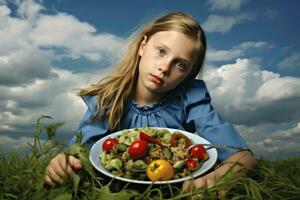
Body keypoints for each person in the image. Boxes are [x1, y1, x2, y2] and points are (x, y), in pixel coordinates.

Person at [44, 12, 257, 192]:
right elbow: (78, 153)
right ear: (142, 46)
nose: (165, 67)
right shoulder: (108, 99)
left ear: (188, 75)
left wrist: (216, 179)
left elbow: (243, 158)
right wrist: (63, 164)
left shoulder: (190, 99)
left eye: (180, 65)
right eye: (161, 51)